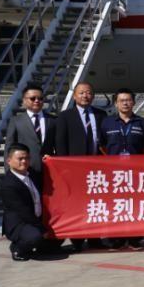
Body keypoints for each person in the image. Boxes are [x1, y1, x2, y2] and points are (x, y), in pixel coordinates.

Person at [54, 82, 106, 253]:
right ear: (75, 96)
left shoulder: (101, 115)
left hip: (96, 171)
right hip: (74, 171)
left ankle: (95, 238)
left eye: (89, 93)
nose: (85, 96)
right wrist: (64, 168)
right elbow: (60, 144)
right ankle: (77, 239)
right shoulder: (65, 117)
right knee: (76, 205)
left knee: (95, 205)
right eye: (82, 93)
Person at [101, 88, 144, 251]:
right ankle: (115, 239)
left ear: (134, 102)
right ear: (116, 103)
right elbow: (102, 145)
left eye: (128, 100)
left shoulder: (142, 123)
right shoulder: (107, 122)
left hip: (135, 173)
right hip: (114, 174)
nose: (125, 103)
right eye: (121, 100)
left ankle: (134, 239)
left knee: (135, 206)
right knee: (115, 206)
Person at [0, 144, 63, 261]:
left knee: (61, 229)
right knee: (35, 236)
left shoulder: (31, 174)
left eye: (27, 158)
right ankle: (17, 248)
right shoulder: (8, 185)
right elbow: (23, 212)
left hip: (37, 218)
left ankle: (42, 246)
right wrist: (42, 229)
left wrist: (50, 161)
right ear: (9, 161)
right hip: (20, 223)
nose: (24, 161)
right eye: (20, 159)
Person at [5, 83, 56, 179]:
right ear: (24, 100)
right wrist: (9, 172)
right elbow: (9, 147)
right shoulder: (16, 121)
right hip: (25, 170)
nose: (37, 101)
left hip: (50, 170)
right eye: (32, 98)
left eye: (40, 98)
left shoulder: (53, 120)